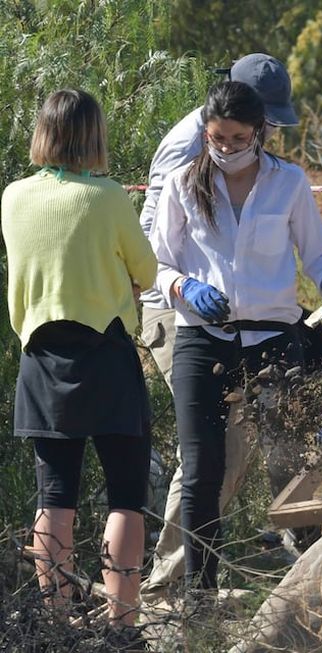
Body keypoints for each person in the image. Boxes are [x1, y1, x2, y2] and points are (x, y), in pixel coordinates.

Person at [148, 80, 322, 594]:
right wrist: (183, 285)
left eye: (238, 139)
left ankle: (313, 584)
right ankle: (198, 595)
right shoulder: (182, 182)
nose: (227, 149)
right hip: (203, 337)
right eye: (217, 138)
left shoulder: (288, 182)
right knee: (202, 469)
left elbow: (318, 252)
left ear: (259, 132)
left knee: (289, 461)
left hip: (273, 341)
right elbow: (156, 263)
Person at [2, 89, 157, 637]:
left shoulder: (12, 197)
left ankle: (56, 624)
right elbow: (148, 269)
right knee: (126, 497)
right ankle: (122, 628)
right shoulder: (108, 197)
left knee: (55, 497)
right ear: (94, 135)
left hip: (41, 358)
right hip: (108, 357)